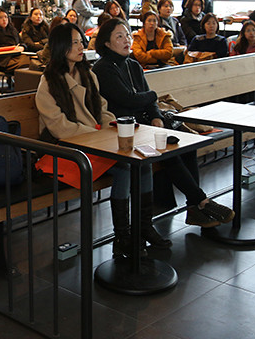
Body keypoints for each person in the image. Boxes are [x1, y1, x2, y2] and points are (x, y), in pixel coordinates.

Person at [35, 22, 166, 255]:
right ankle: (122, 236)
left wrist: (109, 129)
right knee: (124, 167)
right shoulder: (49, 82)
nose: (81, 47)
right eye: (74, 42)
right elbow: (59, 127)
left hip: (95, 142)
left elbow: (103, 110)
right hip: (66, 149)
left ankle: (144, 226)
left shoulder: (88, 74)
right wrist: (97, 136)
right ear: (61, 47)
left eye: (81, 41)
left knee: (142, 162)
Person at [92, 19, 234, 230]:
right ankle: (201, 201)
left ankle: (194, 208)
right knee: (168, 151)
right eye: (119, 36)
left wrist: (156, 116)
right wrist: (152, 96)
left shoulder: (132, 65)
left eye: (128, 35)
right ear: (106, 42)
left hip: (146, 124)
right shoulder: (102, 68)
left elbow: (148, 100)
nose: (126, 40)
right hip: (123, 131)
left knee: (185, 146)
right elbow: (128, 99)